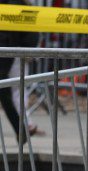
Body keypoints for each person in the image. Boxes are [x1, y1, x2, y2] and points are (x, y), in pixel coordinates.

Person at [0, 0, 40, 144]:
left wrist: (28, 48)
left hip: (14, 52)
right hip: (13, 52)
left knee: (14, 92)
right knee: (13, 92)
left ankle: (24, 126)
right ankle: (23, 126)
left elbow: (29, 27)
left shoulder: (18, 4)